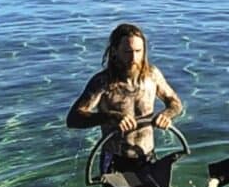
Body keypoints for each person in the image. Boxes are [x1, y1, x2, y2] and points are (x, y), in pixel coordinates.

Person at [66, 23, 183, 175]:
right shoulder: (102, 82)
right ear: (114, 51)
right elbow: (73, 119)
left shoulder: (152, 76)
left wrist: (166, 115)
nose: (134, 58)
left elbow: (175, 103)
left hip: (147, 156)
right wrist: (110, 117)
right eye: (127, 52)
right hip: (115, 160)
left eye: (138, 51)